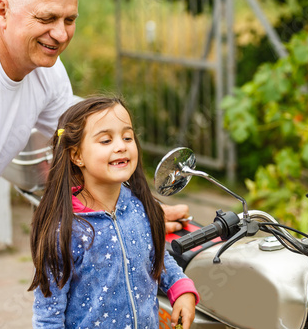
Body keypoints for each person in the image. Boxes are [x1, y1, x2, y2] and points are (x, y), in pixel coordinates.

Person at [0, 0, 189, 325]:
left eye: (69, 20)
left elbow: (83, 149)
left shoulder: (44, 70)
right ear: (2, 11)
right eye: (47, 18)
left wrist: (135, 212)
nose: (61, 34)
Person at [29, 96, 199, 328]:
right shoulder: (66, 228)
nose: (121, 146)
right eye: (106, 140)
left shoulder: (140, 207)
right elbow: (48, 314)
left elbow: (156, 257)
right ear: (77, 155)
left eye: (127, 137)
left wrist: (181, 288)